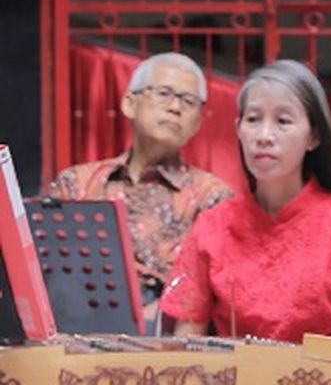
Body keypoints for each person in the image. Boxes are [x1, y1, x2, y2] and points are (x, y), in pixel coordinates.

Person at [161, 60, 331, 343]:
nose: (264, 136)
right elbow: (186, 346)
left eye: (283, 121)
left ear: (314, 136)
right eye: (253, 119)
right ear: (238, 129)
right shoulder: (211, 226)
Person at [47, 51, 234, 322]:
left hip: (164, 335)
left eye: (188, 101)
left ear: (197, 123)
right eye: (164, 93)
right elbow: (49, 272)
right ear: (129, 104)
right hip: (78, 325)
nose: (175, 107)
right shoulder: (76, 184)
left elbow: (208, 296)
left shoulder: (212, 196)